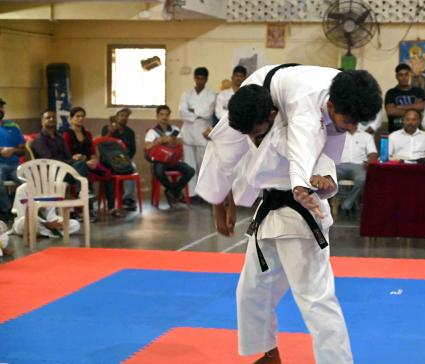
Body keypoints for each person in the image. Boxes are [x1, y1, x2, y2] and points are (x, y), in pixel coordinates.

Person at [197, 64, 382, 364]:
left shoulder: (310, 117)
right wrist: (220, 200)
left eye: (354, 123)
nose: (352, 129)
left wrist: (306, 184)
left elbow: (311, 152)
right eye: (349, 121)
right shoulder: (276, 115)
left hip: (296, 218)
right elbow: (230, 156)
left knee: (316, 300)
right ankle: (268, 354)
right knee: (251, 292)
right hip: (271, 213)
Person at [64, 107, 123, 218]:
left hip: (89, 162)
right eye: (77, 116)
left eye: (82, 116)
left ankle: (111, 207)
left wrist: (94, 161)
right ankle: (88, 210)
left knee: (109, 175)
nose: (80, 119)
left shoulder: (87, 134)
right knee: (86, 176)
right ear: (71, 119)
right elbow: (67, 154)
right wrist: (77, 158)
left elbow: (92, 152)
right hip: (76, 165)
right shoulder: (67, 134)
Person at [145, 105, 195, 208]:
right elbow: (147, 147)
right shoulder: (152, 132)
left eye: (167, 115)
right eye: (162, 114)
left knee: (190, 171)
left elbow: (180, 142)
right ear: (157, 116)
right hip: (160, 161)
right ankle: (175, 192)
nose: (164, 117)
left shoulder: (175, 129)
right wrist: (158, 141)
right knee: (158, 171)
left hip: (173, 160)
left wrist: (170, 140)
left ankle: (172, 191)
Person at [178, 67, 216, 199]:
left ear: (206, 79)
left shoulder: (211, 95)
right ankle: (191, 194)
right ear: (194, 78)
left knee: (203, 166)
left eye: (202, 78)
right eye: (198, 78)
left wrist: (192, 111)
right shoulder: (186, 94)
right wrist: (195, 113)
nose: (200, 81)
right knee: (189, 165)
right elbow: (182, 112)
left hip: (202, 134)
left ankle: (204, 194)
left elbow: (207, 113)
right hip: (188, 133)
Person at [336, 123, 378, 213]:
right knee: (329, 177)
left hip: (359, 165)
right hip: (339, 165)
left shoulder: (366, 136)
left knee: (362, 179)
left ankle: (346, 204)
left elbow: (373, 153)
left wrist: (370, 160)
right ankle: (347, 200)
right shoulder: (337, 134)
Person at [11, 183, 80, 238]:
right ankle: (49, 233)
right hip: (28, 222)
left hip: (47, 224)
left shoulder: (51, 188)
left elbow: (51, 215)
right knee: (24, 222)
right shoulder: (22, 189)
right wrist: (45, 223)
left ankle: (44, 234)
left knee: (75, 224)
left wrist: (58, 224)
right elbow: (22, 215)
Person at [101, 107, 137, 211]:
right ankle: (111, 201)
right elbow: (102, 144)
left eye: (126, 116)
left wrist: (125, 159)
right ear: (116, 117)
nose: (124, 118)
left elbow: (133, 150)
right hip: (108, 160)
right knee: (108, 170)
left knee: (133, 167)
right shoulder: (106, 128)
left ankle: (127, 199)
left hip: (124, 159)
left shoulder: (130, 132)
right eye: (121, 115)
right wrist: (110, 132)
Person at [0, 98, 25, 223]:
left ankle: (12, 204)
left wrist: (13, 151)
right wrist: (2, 151)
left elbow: (22, 151)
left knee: (29, 181)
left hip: (15, 165)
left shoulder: (13, 126)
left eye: (1, 106)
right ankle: (7, 211)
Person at [384, 63, 425, 133]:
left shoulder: (418, 91)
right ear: (397, 77)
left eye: (406, 74)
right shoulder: (391, 93)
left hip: (416, 133)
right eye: (401, 75)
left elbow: (422, 106)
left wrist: (402, 107)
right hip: (396, 132)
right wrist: (413, 111)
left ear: (409, 76)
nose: (404, 77)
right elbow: (390, 111)